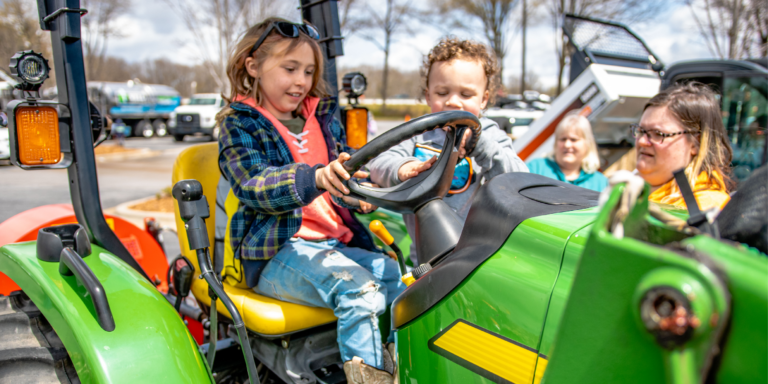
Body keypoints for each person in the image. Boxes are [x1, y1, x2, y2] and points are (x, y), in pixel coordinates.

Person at [216, 17, 403, 383]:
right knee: (359, 292)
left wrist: (358, 195)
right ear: (252, 66)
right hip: (276, 254)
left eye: (308, 71)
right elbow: (254, 184)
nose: (301, 81)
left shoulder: (322, 117)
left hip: (333, 244)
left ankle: (393, 367)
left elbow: (341, 178)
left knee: (398, 277)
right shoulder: (240, 125)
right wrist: (313, 176)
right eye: (289, 68)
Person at [368, 37, 528, 265]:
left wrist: (480, 146)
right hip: (426, 258)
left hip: (479, 255)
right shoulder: (418, 134)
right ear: (428, 96)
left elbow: (518, 177)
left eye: (465, 95)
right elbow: (379, 163)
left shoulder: (491, 135)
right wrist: (402, 168)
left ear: (483, 99)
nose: (453, 102)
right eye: (442, 93)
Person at [633, 82, 733, 211]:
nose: (641, 141)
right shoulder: (627, 192)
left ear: (696, 142)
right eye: (641, 131)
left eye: (658, 134)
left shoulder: (706, 209)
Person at [527, 113, 608, 191]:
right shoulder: (535, 168)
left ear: (587, 143)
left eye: (573, 140)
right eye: (563, 139)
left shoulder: (600, 183)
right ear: (555, 142)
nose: (567, 145)